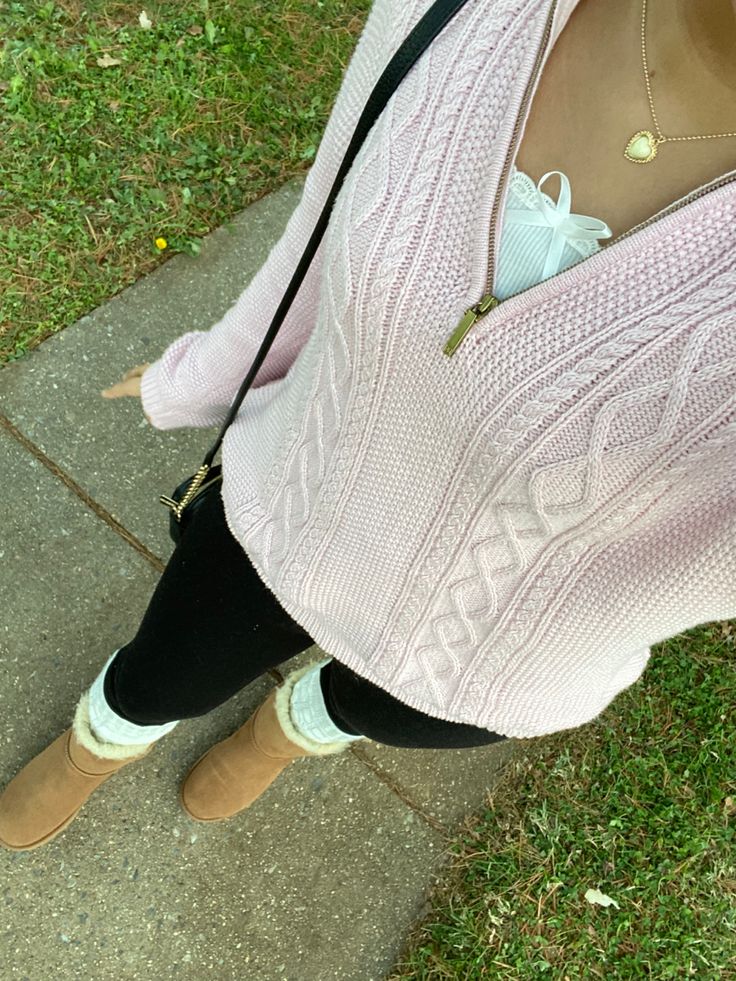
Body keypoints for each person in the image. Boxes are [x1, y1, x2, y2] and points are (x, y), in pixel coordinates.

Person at [1, 0, 734, 852]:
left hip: (498, 637)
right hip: (303, 492)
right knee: (167, 664)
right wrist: (206, 374)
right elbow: (325, 226)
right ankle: (101, 741)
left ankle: (285, 731)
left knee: (361, 707)